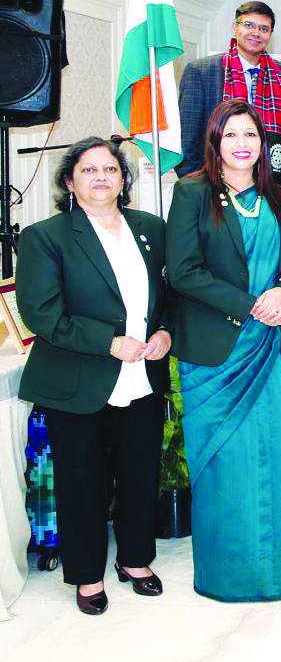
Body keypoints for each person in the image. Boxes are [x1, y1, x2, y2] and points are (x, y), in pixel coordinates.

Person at [16, 138, 171, 615]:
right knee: (81, 479)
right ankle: (85, 575)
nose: (101, 177)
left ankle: (135, 559)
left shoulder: (150, 229)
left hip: (143, 373)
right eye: (89, 170)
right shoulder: (46, 236)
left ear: (124, 180)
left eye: (110, 169)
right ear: (70, 182)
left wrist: (165, 331)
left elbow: (170, 291)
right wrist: (109, 342)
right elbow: (40, 313)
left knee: (139, 471)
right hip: (78, 378)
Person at [166, 99, 281, 602]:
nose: (242, 144)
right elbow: (183, 272)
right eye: (231, 135)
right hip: (215, 350)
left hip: (264, 348)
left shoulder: (280, 198)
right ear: (215, 143)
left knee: (269, 457)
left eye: (250, 134)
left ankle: (278, 571)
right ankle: (227, 575)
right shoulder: (191, 194)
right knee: (223, 462)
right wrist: (252, 304)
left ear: (263, 144)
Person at [178, 0, 281, 177]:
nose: (256, 33)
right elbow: (187, 140)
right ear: (235, 28)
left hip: (270, 184)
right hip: (213, 182)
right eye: (249, 25)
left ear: (270, 34)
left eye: (264, 29)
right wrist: (199, 186)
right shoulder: (201, 71)